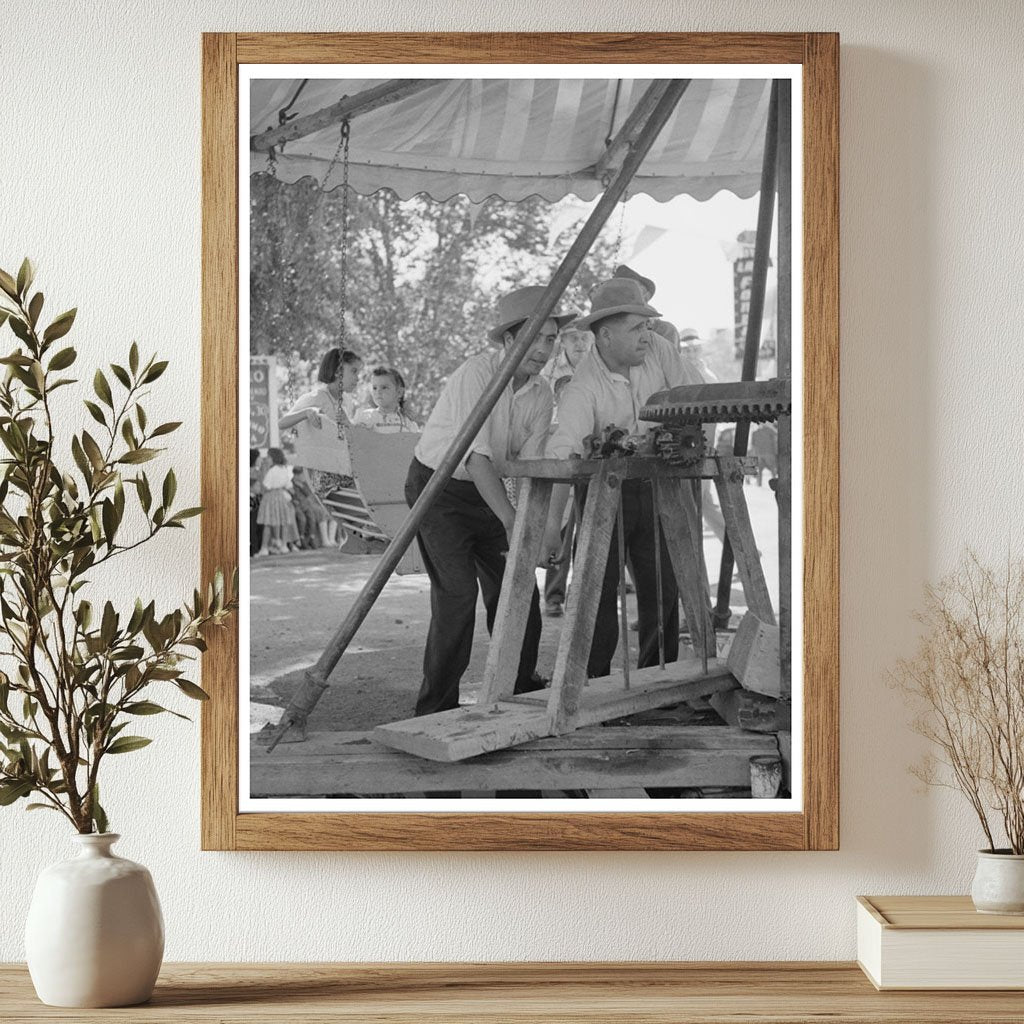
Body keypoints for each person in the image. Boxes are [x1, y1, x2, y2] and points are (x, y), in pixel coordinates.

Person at [405, 285, 574, 716]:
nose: (544, 349)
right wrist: (514, 522)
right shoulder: (476, 374)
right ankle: (435, 707)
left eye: (551, 339)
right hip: (439, 489)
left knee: (518, 586)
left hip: (488, 492)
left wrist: (544, 529)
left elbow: (531, 469)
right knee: (458, 594)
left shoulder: (542, 394)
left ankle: (520, 689)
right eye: (535, 338)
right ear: (509, 339)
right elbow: (476, 458)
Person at [539, 277, 706, 678]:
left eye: (647, 325)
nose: (646, 334)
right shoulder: (582, 388)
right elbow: (562, 457)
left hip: (657, 486)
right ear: (605, 336)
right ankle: (594, 682)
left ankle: (659, 677)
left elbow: (693, 397)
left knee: (662, 587)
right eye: (636, 328)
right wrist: (552, 526)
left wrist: (680, 430)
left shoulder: (659, 349)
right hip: (603, 494)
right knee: (596, 587)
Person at [278, 346, 363, 545]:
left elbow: (348, 437)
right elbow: (282, 423)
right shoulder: (316, 397)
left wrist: (349, 425)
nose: (358, 378)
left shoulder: (346, 401)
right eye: (354, 371)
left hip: (343, 469)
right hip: (326, 474)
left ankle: (365, 533)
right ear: (338, 372)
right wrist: (307, 412)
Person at [540, 326, 593, 617]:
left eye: (585, 337)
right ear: (563, 341)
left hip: (589, 454)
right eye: (574, 338)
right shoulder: (547, 371)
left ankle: (584, 597)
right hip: (558, 452)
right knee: (559, 524)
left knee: (590, 527)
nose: (580, 343)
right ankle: (553, 596)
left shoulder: (597, 368)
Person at [255, 448, 298, 556]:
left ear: (274, 458)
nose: (267, 459)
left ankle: (264, 547)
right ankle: (284, 546)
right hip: (281, 497)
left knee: (268, 523)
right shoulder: (283, 469)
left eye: (268, 457)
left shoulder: (271, 471)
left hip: (270, 498)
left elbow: (266, 486)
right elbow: (289, 485)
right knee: (284, 522)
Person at [352, 366, 422, 433]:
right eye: (375, 388)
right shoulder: (368, 417)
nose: (378, 392)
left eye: (384, 387)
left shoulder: (407, 422)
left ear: (399, 392)